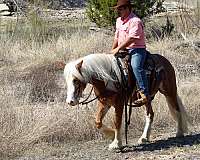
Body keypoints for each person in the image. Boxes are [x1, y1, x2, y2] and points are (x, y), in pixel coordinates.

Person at [111, 0, 149, 106]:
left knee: (136, 66)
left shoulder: (135, 21)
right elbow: (117, 37)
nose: (119, 11)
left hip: (137, 49)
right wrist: (112, 50)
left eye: (121, 9)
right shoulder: (118, 20)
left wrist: (117, 49)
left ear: (128, 8)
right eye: (118, 9)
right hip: (123, 49)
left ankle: (144, 93)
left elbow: (132, 38)